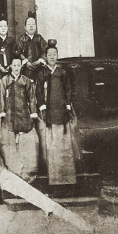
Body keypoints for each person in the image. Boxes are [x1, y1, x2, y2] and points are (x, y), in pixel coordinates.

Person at [35, 39, 80, 185]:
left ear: (57, 56)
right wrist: (42, 107)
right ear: (46, 56)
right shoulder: (42, 73)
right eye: (49, 54)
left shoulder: (62, 73)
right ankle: (54, 178)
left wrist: (67, 105)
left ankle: (67, 177)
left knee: (64, 144)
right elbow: (39, 92)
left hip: (62, 111)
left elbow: (68, 90)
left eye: (55, 54)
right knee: (52, 145)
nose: (52, 57)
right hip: (49, 113)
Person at [0, 53, 39, 183]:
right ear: (10, 66)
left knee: (25, 140)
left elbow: (31, 98)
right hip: (9, 113)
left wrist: (33, 113)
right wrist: (2, 112)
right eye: (14, 65)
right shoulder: (5, 80)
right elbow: (0, 97)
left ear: (21, 67)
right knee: (10, 141)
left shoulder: (25, 81)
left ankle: (26, 170)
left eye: (19, 65)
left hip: (23, 113)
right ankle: (14, 170)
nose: (16, 68)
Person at [0, 16, 15, 118]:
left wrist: (10, 66)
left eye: (5, 26)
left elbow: (15, 55)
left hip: (10, 71)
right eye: (1, 26)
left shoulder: (11, 41)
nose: (3, 28)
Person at [15, 11, 47, 82]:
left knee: (39, 85)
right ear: (25, 27)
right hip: (26, 69)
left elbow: (46, 50)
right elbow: (18, 53)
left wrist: (40, 61)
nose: (31, 26)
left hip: (39, 68)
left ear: (36, 26)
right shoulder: (21, 39)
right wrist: (26, 62)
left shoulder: (39, 38)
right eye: (29, 24)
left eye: (33, 24)